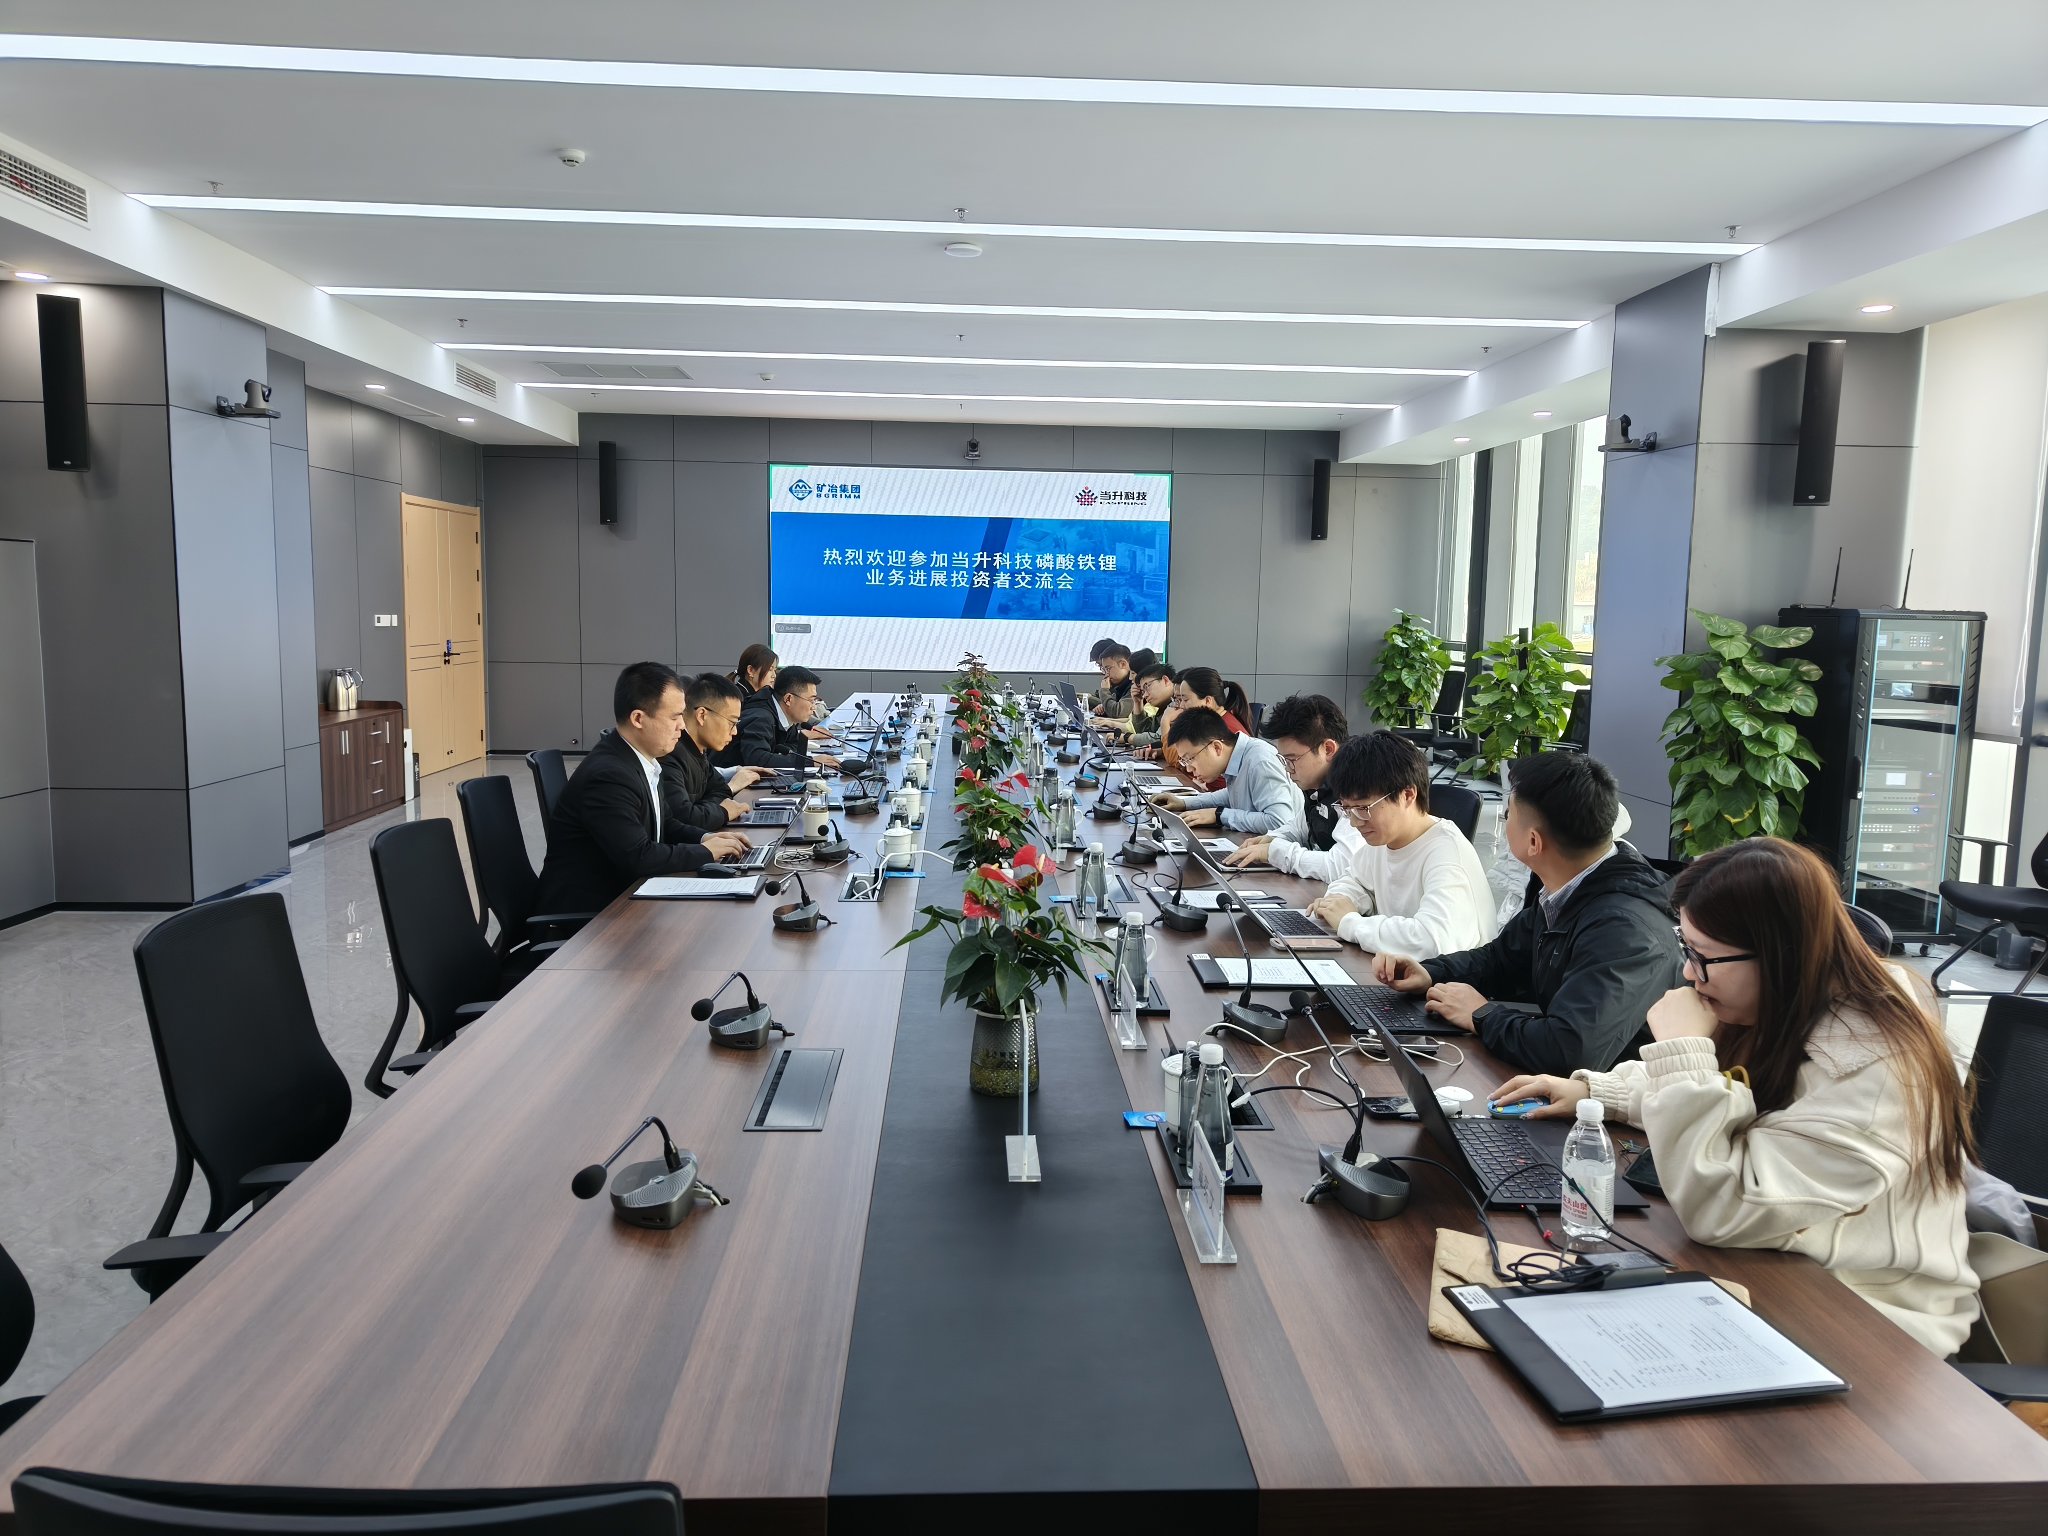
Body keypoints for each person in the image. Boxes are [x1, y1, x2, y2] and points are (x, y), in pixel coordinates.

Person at [1491, 837, 1981, 1357]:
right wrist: (1595, 1091)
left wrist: (1682, 1050)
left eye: (1702, 956)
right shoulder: (1793, 998)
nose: (1688, 972)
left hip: (1871, 1318)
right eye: (1686, 949)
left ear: (1778, 955)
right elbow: (1733, 1083)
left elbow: (1720, 1208)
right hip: (1781, 1270)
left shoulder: (1875, 1066)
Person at [1374, 752, 1683, 1076]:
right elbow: (1501, 959)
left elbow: (1569, 1051)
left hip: (1627, 1102)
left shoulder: (1626, 931)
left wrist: (1481, 1015)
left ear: (1533, 841)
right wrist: (1431, 972)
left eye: (1508, 815)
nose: (1504, 822)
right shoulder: (1571, 887)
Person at [534, 663, 752, 914]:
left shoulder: (642, 760)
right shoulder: (609, 775)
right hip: (592, 916)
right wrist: (704, 852)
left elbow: (666, 823)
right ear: (638, 718)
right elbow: (638, 856)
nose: (682, 726)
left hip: (624, 897)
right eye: (674, 717)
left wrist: (705, 838)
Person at [1300, 731, 1495, 958]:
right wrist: (1340, 900)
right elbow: (1354, 880)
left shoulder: (1447, 855)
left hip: (1450, 978)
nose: (1354, 822)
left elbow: (1433, 941)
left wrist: (1349, 922)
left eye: (1363, 808)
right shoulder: (1382, 840)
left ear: (1408, 795)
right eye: (1346, 809)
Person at [1226, 694, 1359, 881]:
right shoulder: (1318, 785)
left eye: (1292, 759)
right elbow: (1300, 826)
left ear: (1328, 749)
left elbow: (1340, 867)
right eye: (1284, 760)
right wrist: (1272, 838)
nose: (1288, 769)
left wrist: (1275, 852)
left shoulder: (1358, 789)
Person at [1151, 706, 1303, 836]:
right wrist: (1184, 803)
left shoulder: (1260, 761)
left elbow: (1279, 822)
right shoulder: (1237, 756)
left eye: (1189, 759)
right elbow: (1232, 794)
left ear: (1216, 747)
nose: (1189, 768)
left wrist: (1220, 816)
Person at [662, 672, 763, 832]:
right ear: (702, 715)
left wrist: (703, 808)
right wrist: (722, 812)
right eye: (732, 722)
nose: (735, 731)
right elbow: (684, 817)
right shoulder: (670, 754)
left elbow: (721, 790)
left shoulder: (698, 751)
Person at [729, 664, 839, 771]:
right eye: (811, 700)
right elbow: (757, 759)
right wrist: (809, 762)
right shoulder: (761, 718)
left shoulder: (786, 715)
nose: (814, 707)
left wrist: (780, 758)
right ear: (788, 699)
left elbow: (794, 745)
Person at [1120, 663, 1178, 753]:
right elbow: (1146, 731)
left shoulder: (1178, 704)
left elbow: (1159, 739)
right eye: (1143, 691)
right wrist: (1138, 702)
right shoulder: (1164, 707)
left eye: (1147, 687)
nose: (1145, 695)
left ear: (1165, 680)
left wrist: (1127, 737)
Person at [1172, 667, 1249, 735]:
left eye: (1185, 700)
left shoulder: (1222, 732)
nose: (1181, 705)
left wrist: (1166, 722)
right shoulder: (1216, 723)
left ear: (1208, 701)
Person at [1091, 644, 1135, 720]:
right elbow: (1113, 705)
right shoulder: (1121, 684)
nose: (1106, 674)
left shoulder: (1135, 684)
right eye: (1104, 670)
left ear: (1123, 664)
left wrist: (1104, 690)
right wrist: (1104, 707)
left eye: (1108, 669)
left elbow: (1118, 713)